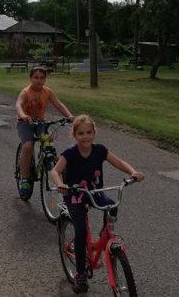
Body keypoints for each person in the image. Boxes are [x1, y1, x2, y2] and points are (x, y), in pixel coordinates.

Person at [50, 115, 145, 293]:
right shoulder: (69, 154)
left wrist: (133, 172)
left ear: (94, 133)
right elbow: (55, 172)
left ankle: (105, 232)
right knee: (80, 232)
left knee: (112, 204)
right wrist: (60, 184)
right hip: (75, 195)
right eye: (81, 133)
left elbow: (119, 163)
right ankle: (80, 273)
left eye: (89, 132)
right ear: (74, 135)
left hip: (94, 192)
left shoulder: (100, 150)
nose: (85, 137)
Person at [15, 66, 74, 197]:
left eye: (42, 78)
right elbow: (18, 105)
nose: (39, 80)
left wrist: (69, 116)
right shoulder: (25, 92)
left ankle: (48, 159)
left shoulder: (47, 92)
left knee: (48, 138)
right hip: (25, 123)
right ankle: (24, 178)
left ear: (45, 79)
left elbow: (59, 105)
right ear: (30, 78)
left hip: (40, 122)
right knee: (28, 145)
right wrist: (23, 115)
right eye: (35, 77)